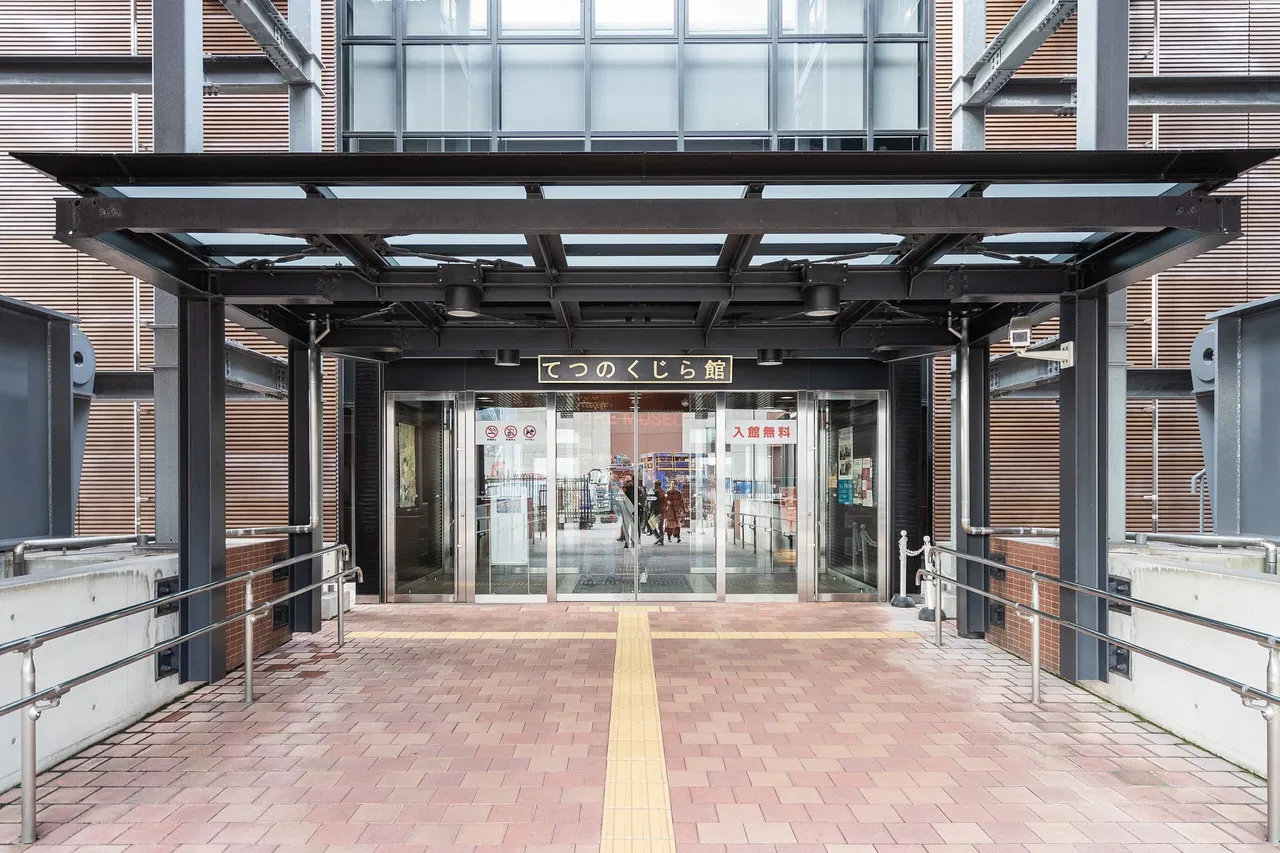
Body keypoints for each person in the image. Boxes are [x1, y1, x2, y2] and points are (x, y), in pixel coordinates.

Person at [651, 479, 666, 545]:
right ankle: (661, 539)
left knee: (651, 523)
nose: (654, 486)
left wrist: (651, 509)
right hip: (662, 510)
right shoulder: (663, 491)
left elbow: (653, 502)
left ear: (656, 485)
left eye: (654, 484)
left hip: (657, 510)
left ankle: (659, 537)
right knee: (660, 526)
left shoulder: (656, 492)